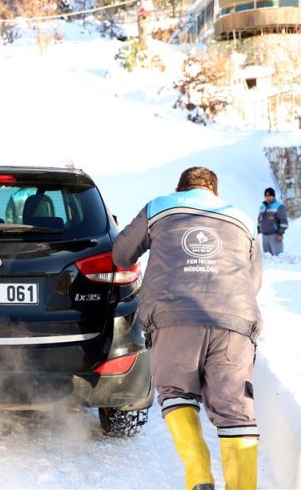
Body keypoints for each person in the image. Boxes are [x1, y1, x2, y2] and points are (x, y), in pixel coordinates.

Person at [112, 167, 263, 490]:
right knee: (237, 413)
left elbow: (121, 254)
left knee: (176, 393)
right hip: (234, 324)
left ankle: (199, 476)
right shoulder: (243, 220)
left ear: (179, 189)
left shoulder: (160, 207)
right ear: (215, 192)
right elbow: (253, 282)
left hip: (173, 317)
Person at [258, 187, 288, 256]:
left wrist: (280, 234)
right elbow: (259, 220)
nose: (268, 197)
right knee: (268, 257)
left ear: (273, 196)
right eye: (266, 196)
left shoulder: (279, 206)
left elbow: (283, 221)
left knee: (277, 256)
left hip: (275, 235)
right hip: (264, 236)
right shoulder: (262, 207)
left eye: (270, 196)